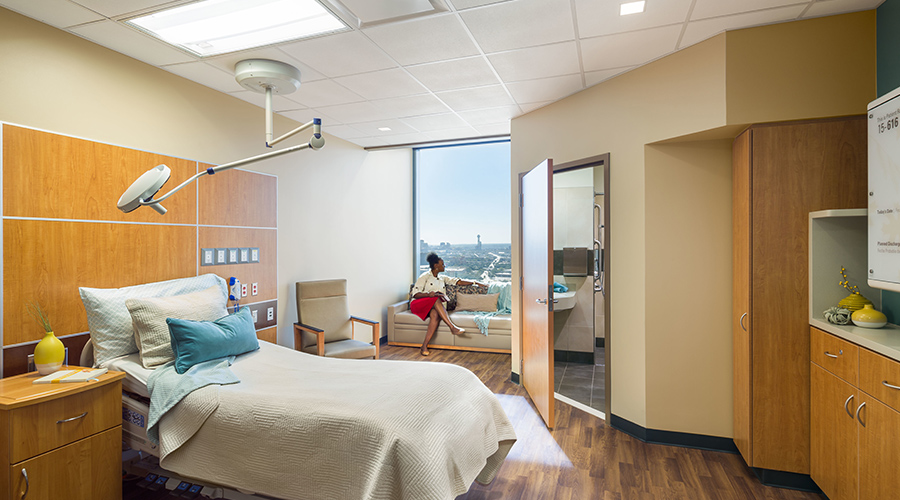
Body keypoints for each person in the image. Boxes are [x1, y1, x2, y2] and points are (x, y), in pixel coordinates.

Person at [410, 252, 487, 356]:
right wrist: (429, 294)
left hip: (432, 307)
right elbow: (415, 294)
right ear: (436, 265)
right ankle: (452, 327)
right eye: (442, 264)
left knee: (435, 315)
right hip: (419, 305)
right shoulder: (425, 276)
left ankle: (424, 346)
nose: (444, 266)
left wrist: (475, 282)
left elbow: (458, 282)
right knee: (436, 299)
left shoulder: (442, 278)